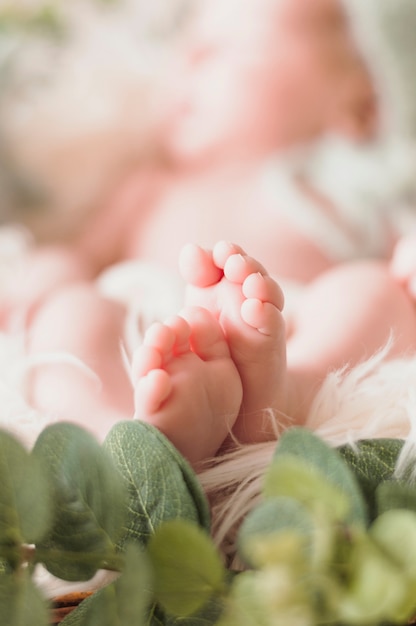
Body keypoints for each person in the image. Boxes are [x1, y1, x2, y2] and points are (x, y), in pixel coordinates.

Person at [3, 0, 416, 458]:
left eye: (228, 48)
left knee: (372, 293)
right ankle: (117, 438)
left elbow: (402, 245)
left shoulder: (346, 183)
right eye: (189, 48)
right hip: (145, 332)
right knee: (71, 313)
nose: (190, 61)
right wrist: (38, 278)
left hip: (295, 331)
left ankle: (282, 396)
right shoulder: (150, 187)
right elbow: (80, 255)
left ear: (355, 104)